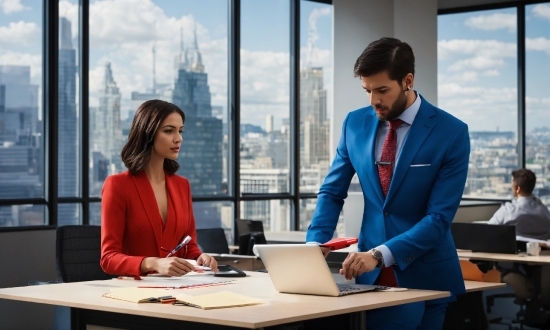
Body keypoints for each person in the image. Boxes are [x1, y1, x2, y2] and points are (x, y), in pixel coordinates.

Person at [306, 37, 470, 329]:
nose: (373, 101)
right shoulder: (354, 123)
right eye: (367, 90)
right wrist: (315, 242)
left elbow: (438, 218)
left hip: (426, 275)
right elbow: (332, 191)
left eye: (382, 90)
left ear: (407, 80)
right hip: (368, 277)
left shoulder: (451, 132)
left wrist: (379, 255)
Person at [100, 99, 218, 277]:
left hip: (180, 289)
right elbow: (108, 259)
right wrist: (152, 262)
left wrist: (200, 257)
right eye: (169, 131)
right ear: (148, 133)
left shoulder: (182, 185)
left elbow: (189, 246)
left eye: (180, 131)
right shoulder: (117, 185)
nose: (178, 138)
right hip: (137, 293)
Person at [488, 168, 550, 240]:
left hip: (514, 250)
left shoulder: (508, 210)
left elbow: (487, 231)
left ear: (518, 189)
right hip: (542, 251)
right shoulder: (544, 211)